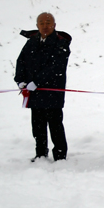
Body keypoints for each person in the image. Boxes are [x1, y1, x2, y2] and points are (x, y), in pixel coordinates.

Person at [14, 12, 72, 162]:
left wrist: (37, 82)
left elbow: (56, 67)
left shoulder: (61, 42)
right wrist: (20, 81)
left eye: (48, 23)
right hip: (34, 93)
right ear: (37, 25)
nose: (45, 26)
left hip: (52, 91)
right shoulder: (32, 41)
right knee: (37, 126)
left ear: (54, 25)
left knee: (55, 125)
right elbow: (21, 61)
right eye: (42, 23)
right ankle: (40, 154)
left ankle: (60, 156)